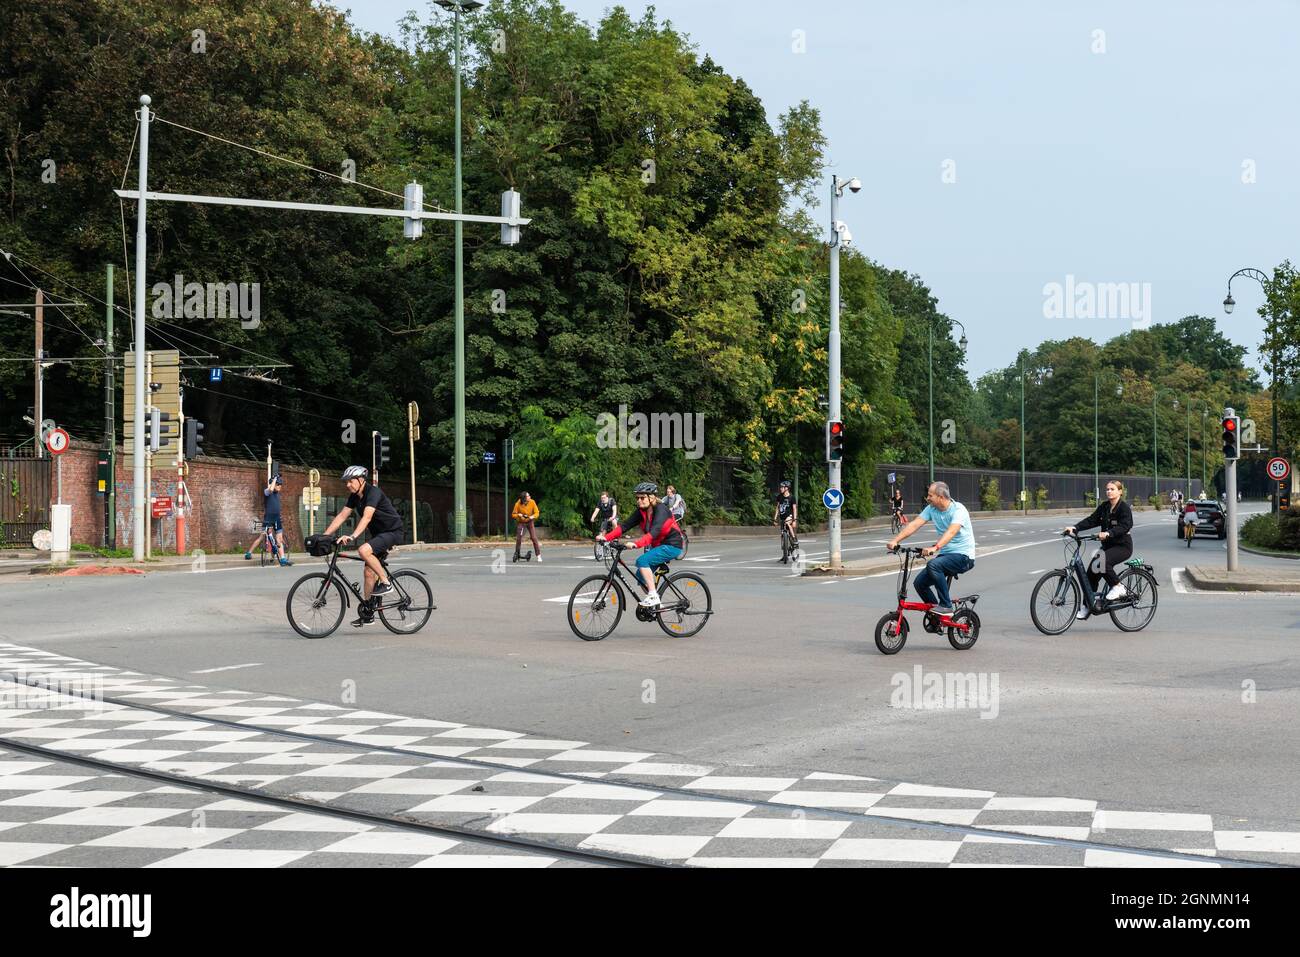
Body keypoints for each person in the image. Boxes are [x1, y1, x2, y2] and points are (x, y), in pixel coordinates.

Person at [321, 465, 405, 626]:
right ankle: (369, 611)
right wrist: (324, 536)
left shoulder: (373, 492)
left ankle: (386, 583)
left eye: (350, 481)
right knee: (368, 572)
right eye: (346, 482)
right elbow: (341, 516)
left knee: (363, 550)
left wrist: (352, 536)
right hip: (379, 535)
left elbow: (366, 518)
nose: (348, 485)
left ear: (360, 480)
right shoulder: (354, 496)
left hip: (392, 531)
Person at [886, 481, 976, 616]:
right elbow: (914, 524)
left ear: (940, 497)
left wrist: (935, 547)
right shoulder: (931, 509)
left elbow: (951, 532)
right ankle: (937, 615)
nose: (927, 498)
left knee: (933, 565)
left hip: (964, 556)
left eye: (930, 495)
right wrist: (895, 540)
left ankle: (946, 606)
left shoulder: (959, 510)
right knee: (920, 583)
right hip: (946, 555)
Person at [597, 482, 684, 607]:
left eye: (642, 498)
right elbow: (624, 526)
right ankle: (657, 605)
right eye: (637, 498)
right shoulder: (641, 511)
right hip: (658, 546)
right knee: (640, 576)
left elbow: (654, 531)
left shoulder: (661, 509)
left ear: (652, 497)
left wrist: (636, 544)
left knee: (642, 561)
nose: (639, 500)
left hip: (672, 545)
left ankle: (653, 595)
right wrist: (605, 538)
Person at [1064, 479, 1135, 620]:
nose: (1109, 491)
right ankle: (1088, 606)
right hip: (1108, 546)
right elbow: (1092, 520)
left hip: (1122, 546)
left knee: (1103, 562)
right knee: (1091, 573)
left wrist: (1109, 533)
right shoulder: (1104, 507)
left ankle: (1118, 587)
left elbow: (1125, 525)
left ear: (1120, 491)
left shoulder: (1124, 508)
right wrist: (1075, 528)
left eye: (1112, 489)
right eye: (1107, 489)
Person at [245, 474, 293, 566]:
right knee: (262, 537)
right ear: (273, 484)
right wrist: (274, 478)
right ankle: (249, 553)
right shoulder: (267, 491)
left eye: (280, 484)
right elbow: (270, 489)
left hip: (277, 518)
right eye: (278, 484)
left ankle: (282, 559)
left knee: (279, 539)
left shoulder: (277, 494)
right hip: (268, 519)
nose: (280, 486)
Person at [772, 480, 799, 562]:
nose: (781, 489)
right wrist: (775, 518)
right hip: (782, 517)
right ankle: (784, 554)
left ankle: (794, 540)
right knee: (782, 534)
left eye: (782, 487)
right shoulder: (779, 497)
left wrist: (794, 520)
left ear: (786, 488)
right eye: (781, 487)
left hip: (789, 517)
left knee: (788, 523)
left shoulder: (792, 497)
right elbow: (777, 508)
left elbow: (794, 508)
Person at [512, 491, 542, 562]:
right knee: (519, 538)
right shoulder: (518, 504)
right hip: (521, 522)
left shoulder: (532, 502)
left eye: (529, 495)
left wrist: (532, 516)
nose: (530, 497)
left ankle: (538, 555)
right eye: (528, 496)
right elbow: (513, 514)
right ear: (524, 498)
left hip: (530, 521)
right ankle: (517, 553)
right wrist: (518, 515)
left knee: (534, 538)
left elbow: (537, 512)